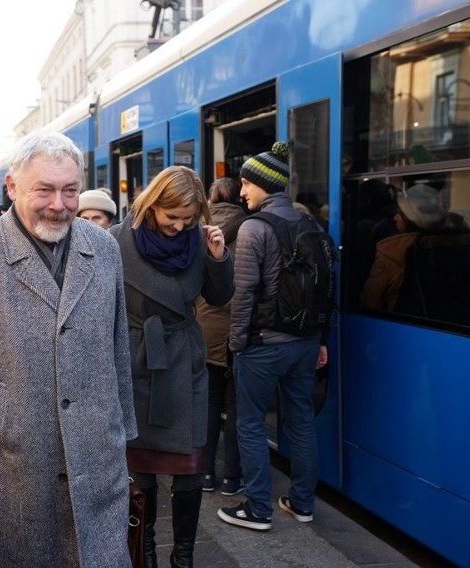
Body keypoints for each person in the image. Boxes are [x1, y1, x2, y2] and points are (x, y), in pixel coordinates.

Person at [0, 130, 137, 567]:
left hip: (98, 456)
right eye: (44, 190)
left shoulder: (102, 247)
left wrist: (121, 430)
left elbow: (118, 344)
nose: (58, 204)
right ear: (12, 187)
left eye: (70, 190)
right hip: (17, 462)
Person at [110, 165, 234, 567]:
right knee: (141, 471)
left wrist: (218, 257)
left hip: (184, 362)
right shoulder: (115, 241)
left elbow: (218, 297)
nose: (179, 227)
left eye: (188, 218)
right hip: (137, 359)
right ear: (152, 205)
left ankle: (184, 557)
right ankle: (144, 555)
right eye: (171, 217)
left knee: (191, 469)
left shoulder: (200, 242)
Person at [219, 142, 328, 531]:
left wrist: (236, 345)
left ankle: (258, 509)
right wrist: (321, 340)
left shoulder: (254, 228)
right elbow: (324, 288)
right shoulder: (312, 225)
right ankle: (302, 503)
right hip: (306, 341)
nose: (242, 191)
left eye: (247, 183)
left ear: (266, 185)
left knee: (248, 423)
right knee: (300, 421)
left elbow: (243, 293)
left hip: (264, 344)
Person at [195, 177, 247, 497]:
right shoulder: (253, 229)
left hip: (207, 329)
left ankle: (205, 473)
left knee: (210, 405)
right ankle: (232, 478)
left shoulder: (200, 232)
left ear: (211, 199)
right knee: (237, 408)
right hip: (241, 331)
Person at [360, 184, 449, 312]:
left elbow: (370, 302)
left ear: (410, 220)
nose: (395, 218)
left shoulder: (390, 252)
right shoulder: (449, 244)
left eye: (400, 214)